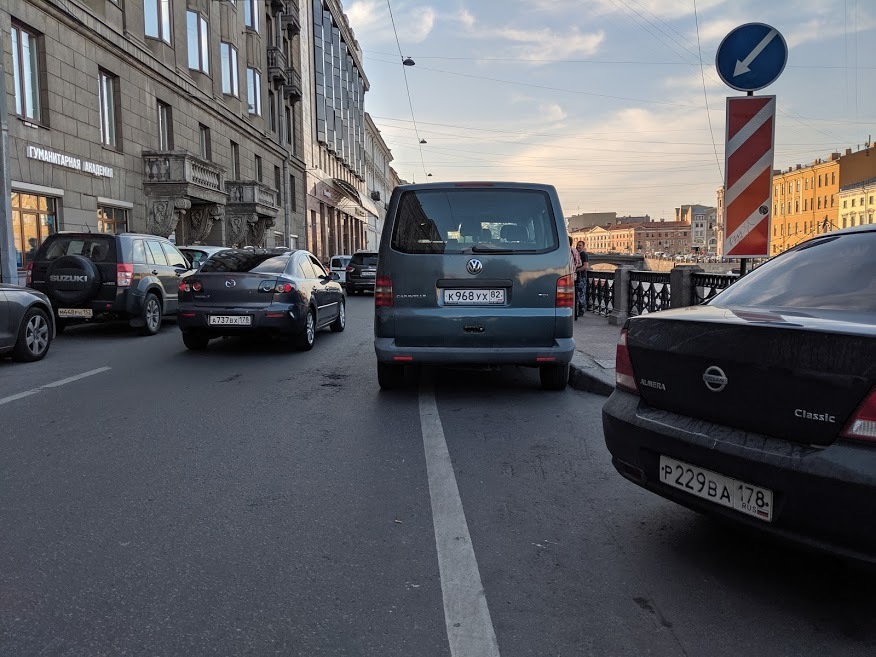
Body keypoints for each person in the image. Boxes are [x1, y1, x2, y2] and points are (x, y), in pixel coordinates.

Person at [575, 240, 589, 316]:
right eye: (577, 245)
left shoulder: (583, 254)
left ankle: (581, 311)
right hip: (578, 277)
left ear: (583, 247)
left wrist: (576, 270)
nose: (578, 246)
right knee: (578, 294)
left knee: (581, 294)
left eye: (580, 245)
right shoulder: (578, 254)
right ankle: (578, 310)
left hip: (582, 277)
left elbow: (585, 266)